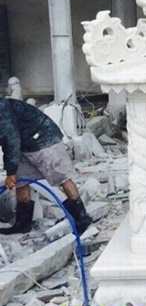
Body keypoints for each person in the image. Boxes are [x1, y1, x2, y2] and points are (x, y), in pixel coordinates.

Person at [0, 97, 92, 235]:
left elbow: (11, 140)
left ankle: (82, 218)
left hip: (44, 139)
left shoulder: (2, 110)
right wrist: (13, 172)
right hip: (24, 144)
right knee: (21, 181)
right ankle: (23, 224)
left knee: (61, 178)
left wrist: (10, 172)